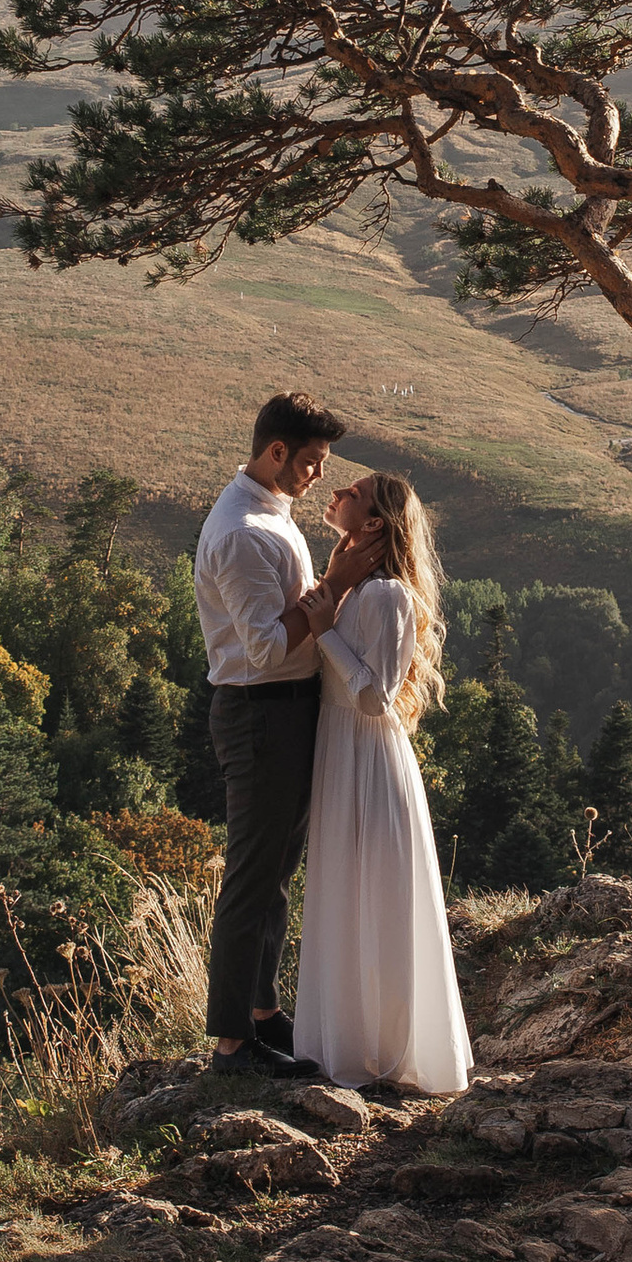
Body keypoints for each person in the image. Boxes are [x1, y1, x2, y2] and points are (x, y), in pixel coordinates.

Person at [193, 392, 381, 1081]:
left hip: (286, 709)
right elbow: (267, 649)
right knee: (251, 877)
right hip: (259, 710)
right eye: (310, 462)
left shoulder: (271, 513)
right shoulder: (242, 531)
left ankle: (264, 1018)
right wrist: (333, 584)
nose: (318, 476)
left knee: (274, 873)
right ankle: (231, 1047)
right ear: (276, 452)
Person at [293, 471, 473, 1097]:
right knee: (344, 895)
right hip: (339, 753)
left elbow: (374, 698)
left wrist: (324, 633)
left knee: (378, 899)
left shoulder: (388, 596)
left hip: (368, 758)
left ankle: (388, 1051)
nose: (337, 488)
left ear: (372, 523)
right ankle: (350, 1044)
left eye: (354, 490)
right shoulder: (351, 588)